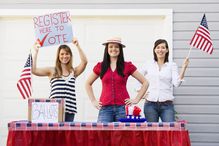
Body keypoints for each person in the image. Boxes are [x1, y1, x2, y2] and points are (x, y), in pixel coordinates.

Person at [85, 37, 149, 122]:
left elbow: (145, 82)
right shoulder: (101, 66)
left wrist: (136, 99)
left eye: (116, 47)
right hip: (105, 109)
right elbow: (87, 83)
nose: (113, 49)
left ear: (120, 49)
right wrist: (93, 100)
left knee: (122, 135)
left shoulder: (127, 66)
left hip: (123, 108)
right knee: (103, 134)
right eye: (111, 47)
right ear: (107, 49)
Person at [32, 38, 88, 122]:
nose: (64, 56)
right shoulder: (52, 71)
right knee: (54, 135)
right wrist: (35, 51)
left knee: (67, 135)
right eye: (62, 54)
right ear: (58, 56)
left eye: (67, 54)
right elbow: (34, 70)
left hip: (70, 110)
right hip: (53, 110)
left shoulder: (74, 72)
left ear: (70, 56)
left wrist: (77, 46)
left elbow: (84, 61)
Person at [136, 39, 189, 122]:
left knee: (169, 130)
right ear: (154, 50)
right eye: (158, 47)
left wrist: (184, 68)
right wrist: (141, 93)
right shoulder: (148, 64)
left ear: (167, 50)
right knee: (152, 132)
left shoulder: (172, 65)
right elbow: (138, 78)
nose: (160, 50)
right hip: (150, 104)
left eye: (163, 47)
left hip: (167, 105)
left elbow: (177, 83)